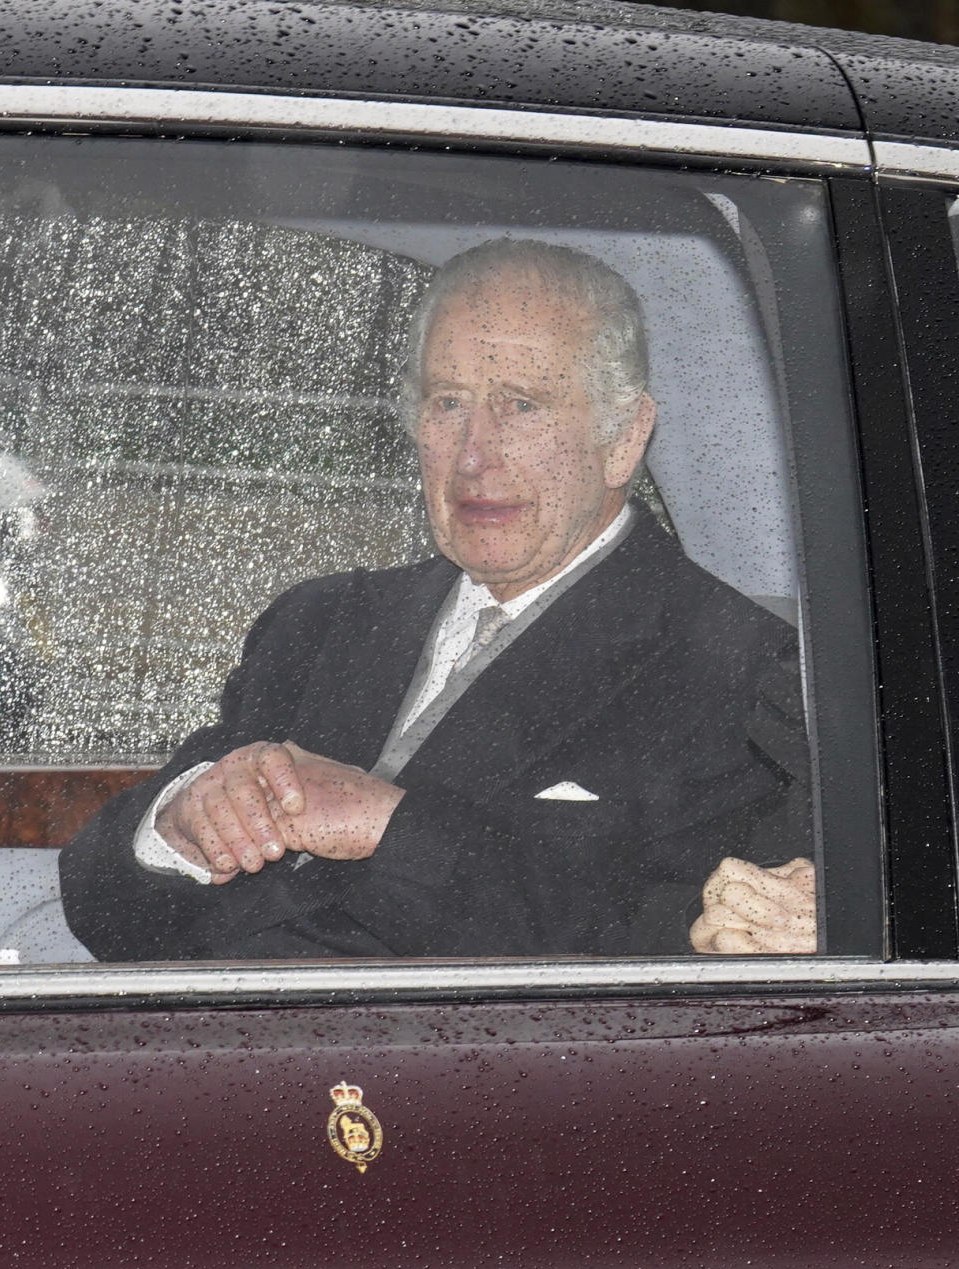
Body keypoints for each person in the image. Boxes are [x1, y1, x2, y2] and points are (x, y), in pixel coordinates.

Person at [59, 237, 815, 962]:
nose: (474, 454)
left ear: (623, 439)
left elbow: (673, 944)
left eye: (520, 405)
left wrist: (387, 826)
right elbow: (100, 904)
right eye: (448, 403)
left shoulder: (746, 672)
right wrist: (182, 827)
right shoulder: (320, 622)